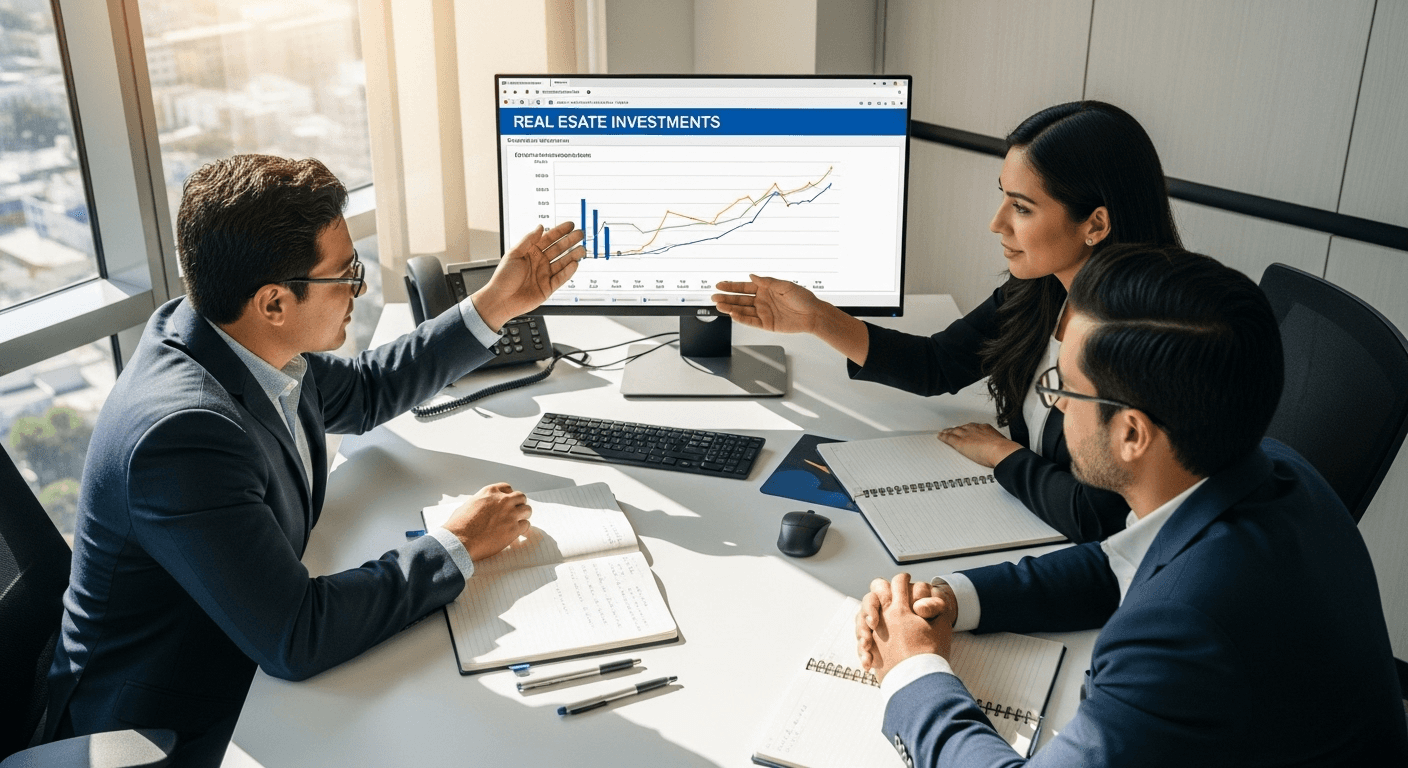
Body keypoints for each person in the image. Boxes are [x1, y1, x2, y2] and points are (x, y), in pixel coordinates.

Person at [44, 156, 584, 766]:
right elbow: (294, 637)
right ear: (274, 302)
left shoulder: (224, 333)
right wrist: (455, 543)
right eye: (345, 274)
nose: (358, 287)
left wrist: (495, 305)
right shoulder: (184, 435)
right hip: (171, 728)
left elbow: (364, 390)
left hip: (243, 663)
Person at [854, 245, 1408, 766]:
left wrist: (913, 670)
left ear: (1132, 434)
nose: (1055, 404)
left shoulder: (1181, 628)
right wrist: (956, 598)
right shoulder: (1277, 465)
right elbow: (1120, 560)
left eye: (1064, 387)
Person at [713, 101, 1181, 543]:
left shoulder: (1147, 339)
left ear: (1095, 224)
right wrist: (818, 319)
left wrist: (1003, 455)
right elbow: (938, 364)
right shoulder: (1042, 289)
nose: (997, 223)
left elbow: (1096, 515)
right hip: (1020, 515)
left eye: (1021, 207)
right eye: (1004, 198)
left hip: (1073, 550)